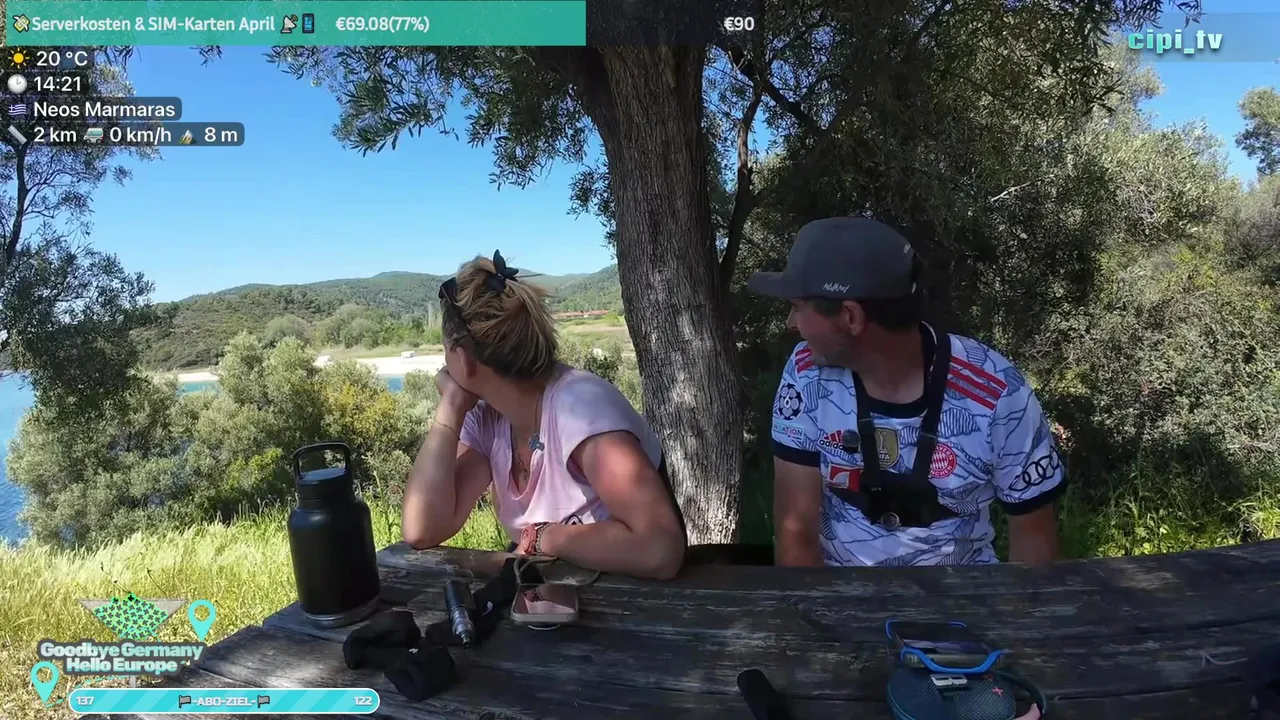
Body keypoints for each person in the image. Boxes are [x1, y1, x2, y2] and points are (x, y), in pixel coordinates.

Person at [748, 217, 1065, 567]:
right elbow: (796, 536)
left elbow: (1034, 548)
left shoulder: (998, 393)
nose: (791, 324)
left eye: (797, 307)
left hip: (965, 594)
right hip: (837, 594)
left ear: (851, 317)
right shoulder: (805, 374)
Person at [401, 251, 687, 580]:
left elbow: (660, 549)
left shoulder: (581, 410)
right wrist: (450, 407)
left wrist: (545, 537)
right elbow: (422, 528)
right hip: (557, 598)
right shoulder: (489, 418)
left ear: (463, 359)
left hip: (632, 601)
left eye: (445, 350)